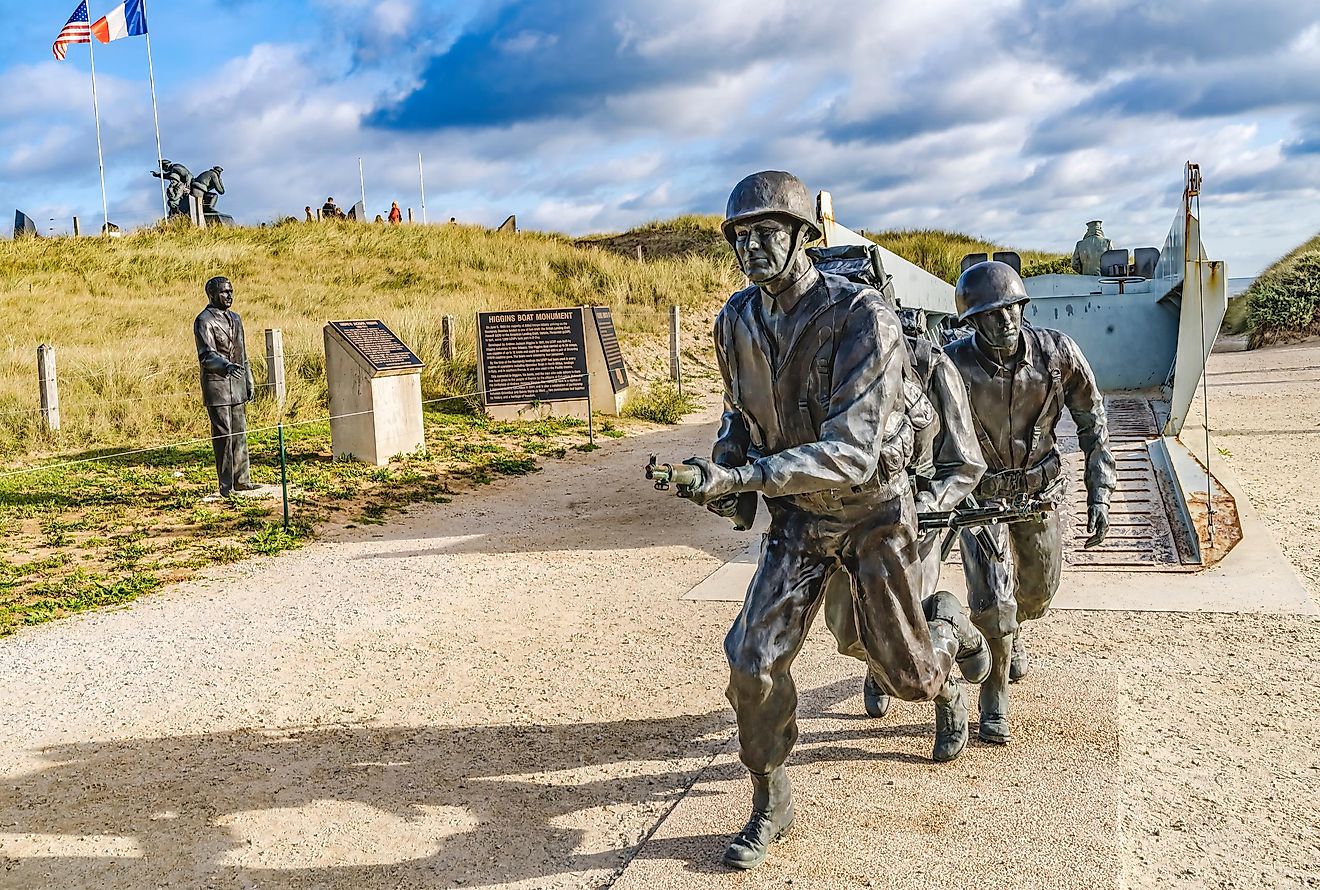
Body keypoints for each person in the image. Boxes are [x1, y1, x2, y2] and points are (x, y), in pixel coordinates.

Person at [676, 171, 990, 871]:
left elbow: (851, 451)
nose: (752, 249)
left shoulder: (861, 318)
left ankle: (951, 641)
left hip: (872, 512)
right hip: (797, 521)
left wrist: (745, 475)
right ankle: (770, 799)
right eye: (741, 237)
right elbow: (740, 412)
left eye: (767, 234)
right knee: (750, 661)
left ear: (803, 238)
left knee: (903, 674)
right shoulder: (736, 320)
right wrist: (721, 474)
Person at [943, 261, 1115, 744]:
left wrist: (1099, 491)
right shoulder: (952, 366)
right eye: (993, 314)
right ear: (972, 321)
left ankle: (1010, 633)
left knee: (1037, 593)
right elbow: (924, 430)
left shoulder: (1057, 355)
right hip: (982, 499)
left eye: (1013, 309)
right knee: (992, 600)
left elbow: (1093, 422)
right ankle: (994, 686)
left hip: (1040, 493)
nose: (1006, 321)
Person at [823, 303, 987, 719]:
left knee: (911, 632)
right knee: (846, 631)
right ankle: (884, 664)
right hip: (846, 522)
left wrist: (927, 503)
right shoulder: (825, 366)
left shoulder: (932, 367)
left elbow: (966, 463)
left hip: (910, 520)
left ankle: (948, 695)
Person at [194, 277, 257, 497]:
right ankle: (226, 485)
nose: (230, 296)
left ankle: (242, 480)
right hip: (218, 386)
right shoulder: (204, 320)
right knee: (224, 436)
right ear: (212, 295)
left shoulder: (236, 319)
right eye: (224, 292)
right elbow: (206, 355)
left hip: (237, 384)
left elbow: (243, 353)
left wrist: (248, 380)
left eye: (231, 291)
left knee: (240, 433)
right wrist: (226, 366)